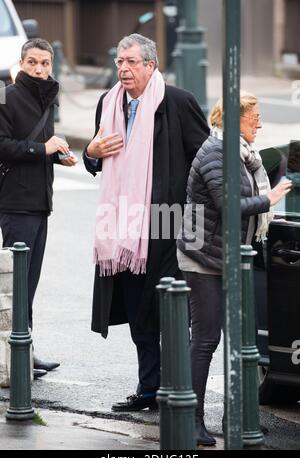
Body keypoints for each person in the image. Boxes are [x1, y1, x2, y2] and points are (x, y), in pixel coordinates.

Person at [83, 33, 209, 411]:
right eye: (119, 62)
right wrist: (90, 152)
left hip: (169, 222)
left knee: (170, 307)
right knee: (139, 310)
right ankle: (149, 388)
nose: (123, 68)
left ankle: (178, 389)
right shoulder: (108, 103)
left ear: (151, 66)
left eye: (131, 62)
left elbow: (204, 163)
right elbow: (95, 158)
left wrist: (193, 219)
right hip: (123, 224)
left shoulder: (177, 102)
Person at [177, 91, 292, 445]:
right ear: (231, 119)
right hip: (202, 257)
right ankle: (190, 420)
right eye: (252, 116)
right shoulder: (216, 152)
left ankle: (234, 418)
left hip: (226, 255)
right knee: (207, 338)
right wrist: (268, 199)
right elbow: (228, 203)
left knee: (239, 342)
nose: (259, 123)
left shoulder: (243, 154)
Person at [0, 38, 77, 378]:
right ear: (22, 63)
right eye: (32, 62)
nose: (39, 69)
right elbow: (3, 145)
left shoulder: (46, 97)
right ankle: (14, 356)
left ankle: (26, 349)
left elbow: (37, 147)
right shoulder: (6, 96)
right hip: (15, 202)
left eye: (45, 63)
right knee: (15, 286)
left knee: (28, 284)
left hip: (40, 203)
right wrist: (42, 149)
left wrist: (59, 156)